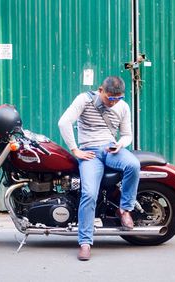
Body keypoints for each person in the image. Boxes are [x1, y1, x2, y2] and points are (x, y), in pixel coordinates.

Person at [58, 76, 140, 261]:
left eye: (118, 98)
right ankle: (85, 242)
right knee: (88, 193)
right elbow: (64, 122)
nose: (113, 103)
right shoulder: (84, 100)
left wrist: (120, 144)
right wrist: (75, 149)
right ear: (100, 90)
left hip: (111, 149)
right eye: (110, 98)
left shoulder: (123, 107)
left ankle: (125, 209)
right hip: (90, 153)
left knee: (133, 165)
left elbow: (127, 135)